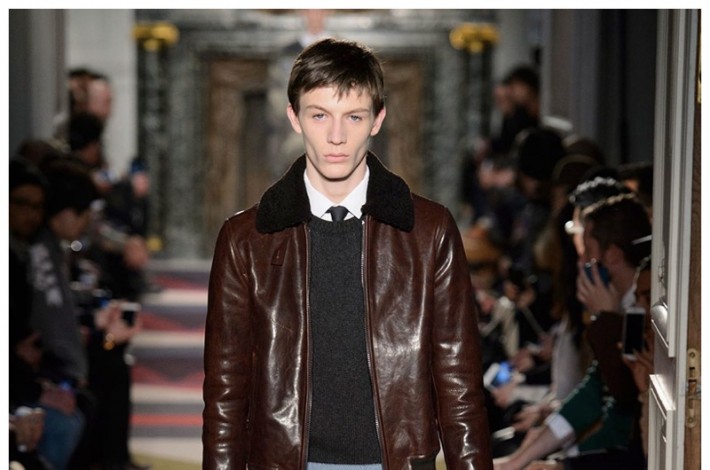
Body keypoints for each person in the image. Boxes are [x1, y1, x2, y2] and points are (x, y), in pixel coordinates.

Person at [203, 37, 493, 470]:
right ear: (294, 117)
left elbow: (459, 382)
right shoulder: (246, 239)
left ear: (377, 120)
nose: (336, 137)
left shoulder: (428, 232)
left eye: (353, 117)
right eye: (319, 115)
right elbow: (226, 390)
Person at [493, 194, 651, 470]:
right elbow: (590, 394)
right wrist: (520, 461)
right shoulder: (616, 310)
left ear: (612, 255)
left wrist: (560, 464)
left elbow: (623, 400)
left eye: (587, 250)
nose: (581, 261)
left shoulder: (638, 312)